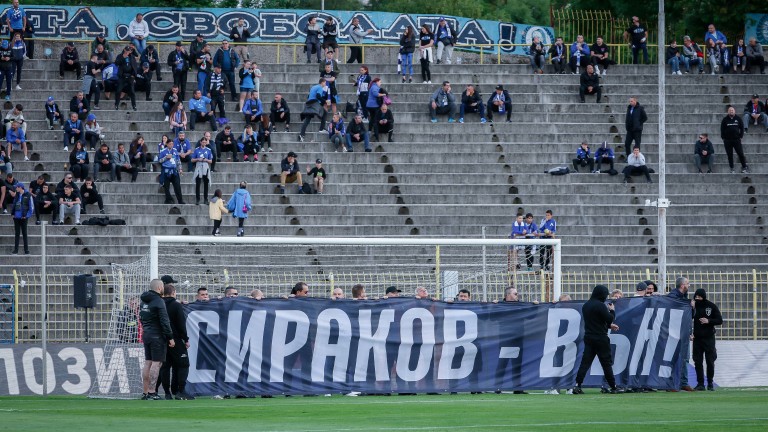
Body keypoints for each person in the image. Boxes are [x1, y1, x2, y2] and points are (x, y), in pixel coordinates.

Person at [573, 285, 621, 394]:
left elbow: (595, 322)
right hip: (601, 338)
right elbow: (609, 319)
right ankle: (613, 386)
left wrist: (609, 326)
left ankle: (577, 385)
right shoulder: (600, 305)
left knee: (585, 363)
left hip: (589, 337)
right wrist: (612, 311)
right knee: (606, 363)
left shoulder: (586, 305)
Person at [139, 279, 174, 400]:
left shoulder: (143, 301)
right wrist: (170, 337)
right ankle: (152, 392)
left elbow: (141, 318)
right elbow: (165, 321)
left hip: (146, 334)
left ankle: (145, 392)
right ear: (159, 287)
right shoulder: (159, 301)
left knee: (148, 362)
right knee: (156, 363)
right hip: (157, 335)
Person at [157, 283, 192, 400]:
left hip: (161, 339)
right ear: (173, 293)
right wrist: (185, 339)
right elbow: (181, 324)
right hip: (175, 339)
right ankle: (180, 391)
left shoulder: (158, 304)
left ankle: (167, 393)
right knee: (183, 364)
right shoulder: (176, 306)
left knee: (165, 366)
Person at [692, 288, 722, 391]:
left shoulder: (711, 306)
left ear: (704, 297)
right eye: (696, 297)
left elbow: (719, 320)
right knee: (697, 361)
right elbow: (687, 319)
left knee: (710, 361)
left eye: (699, 297)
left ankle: (710, 382)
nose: (697, 299)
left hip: (709, 338)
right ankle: (700, 384)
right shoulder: (693, 306)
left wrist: (708, 321)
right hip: (697, 339)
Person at [668, 276, 695, 392]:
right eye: (688, 284)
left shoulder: (685, 298)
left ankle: (683, 382)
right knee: (672, 359)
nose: (689, 286)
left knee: (685, 358)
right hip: (673, 333)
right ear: (682, 285)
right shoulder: (672, 297)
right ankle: (670, 383)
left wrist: (692, 308)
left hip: (683, 333)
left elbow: (689, 317)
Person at [298, 78, 330, 142]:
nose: (325, 84)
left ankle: (302, 134)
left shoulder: (313, 87)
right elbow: (318, 96)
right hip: (314, 104)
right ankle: (321, 129)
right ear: (322, 82)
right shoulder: (320, 88)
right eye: (325, 83)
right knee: (325, 113)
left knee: (307, 119)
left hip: (309, 104)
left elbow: (309, 96)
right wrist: (325, 101)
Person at [720, 106, 749, 173]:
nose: (731, 111)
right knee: (730, 155)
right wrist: (723, 138)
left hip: (736, 140)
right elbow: (722, 129)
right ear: (728, 111)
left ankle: (744, 167)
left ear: (734, 111)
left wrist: (741, 136)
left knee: (741, 154)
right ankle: (732, 168)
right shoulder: (725, 120)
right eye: (730, 110)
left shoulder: (738, 119)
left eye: (732, 110)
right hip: (727, 140)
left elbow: (742, 128)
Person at [158, 137, 184, 204]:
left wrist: (180, 169)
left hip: (174, 171)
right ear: (167, 144)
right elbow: (160, 161)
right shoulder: (163, 151)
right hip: (166, 171)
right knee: (166, 187)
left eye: (172, 144)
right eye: (170, 144)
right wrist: (166, 157)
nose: (171, 145)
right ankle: (168, 199)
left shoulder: (175, 151)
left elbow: (178, 161)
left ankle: (180, 200)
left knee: (177, 186)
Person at [11, 182, 33, 255]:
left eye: (17, 187)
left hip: (24, 217)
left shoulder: (28, 195)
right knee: (17, 234)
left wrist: (27, 216)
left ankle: (26, 250)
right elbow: (14, 204)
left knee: (24, 233)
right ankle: (15, 250)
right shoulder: (16, 195)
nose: (16, 188)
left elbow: (31, 208)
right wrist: (13, 213)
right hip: (16, 217)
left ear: (20, 187)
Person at [114, 47, 138, 112]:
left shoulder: (132, 57)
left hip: (130, 76)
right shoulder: (120, 56)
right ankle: (116, 104)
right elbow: (116, 63)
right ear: (124, 50)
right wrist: (123, 57)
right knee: (118, 90)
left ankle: (134, 105)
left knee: (132, 91)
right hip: (122, 76)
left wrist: (133, 75)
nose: (128, 52)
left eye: (129, 50)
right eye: (127, 50)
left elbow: (135, 66)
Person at [192, 135, 213, 205]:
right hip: (198, 167)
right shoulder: (197, 149)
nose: (204, 143)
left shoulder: (209, 150)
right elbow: (192, 160)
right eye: (203, 142)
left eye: (205, 142)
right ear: (200, 142)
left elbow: (211, 161)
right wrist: (198, 159)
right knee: (198, 184)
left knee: (206, 184)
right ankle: (197, 199)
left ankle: (205, 199)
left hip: (205, 167)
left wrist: (206, 160)